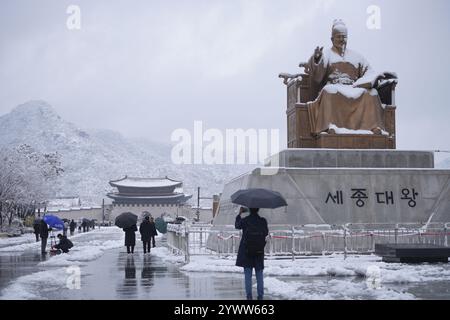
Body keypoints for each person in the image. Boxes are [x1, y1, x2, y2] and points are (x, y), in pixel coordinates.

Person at [306, 19, 390, 135]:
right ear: (332, 39)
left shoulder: (357, 56)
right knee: (329, 91)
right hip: (335, 86)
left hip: (353, 86)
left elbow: (369, 72)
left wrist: (373, 78)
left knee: (372, 93)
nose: (342, 40)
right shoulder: (326, 54)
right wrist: (316, 59)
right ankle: (331, 126)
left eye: (344, 37)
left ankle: (374, 127)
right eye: (339, 37)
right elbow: (317, 75)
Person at [235, 207, 268, 300]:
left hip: (247, 251)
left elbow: (237, 225)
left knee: (248, 275)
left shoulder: (245, 220)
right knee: (259, 274)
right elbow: (266, 232)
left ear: (249, 209)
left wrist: (239, 214)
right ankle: (260, 296)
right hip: (259, 251)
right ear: (258, 209)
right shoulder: (263, 221)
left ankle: (249, 296)